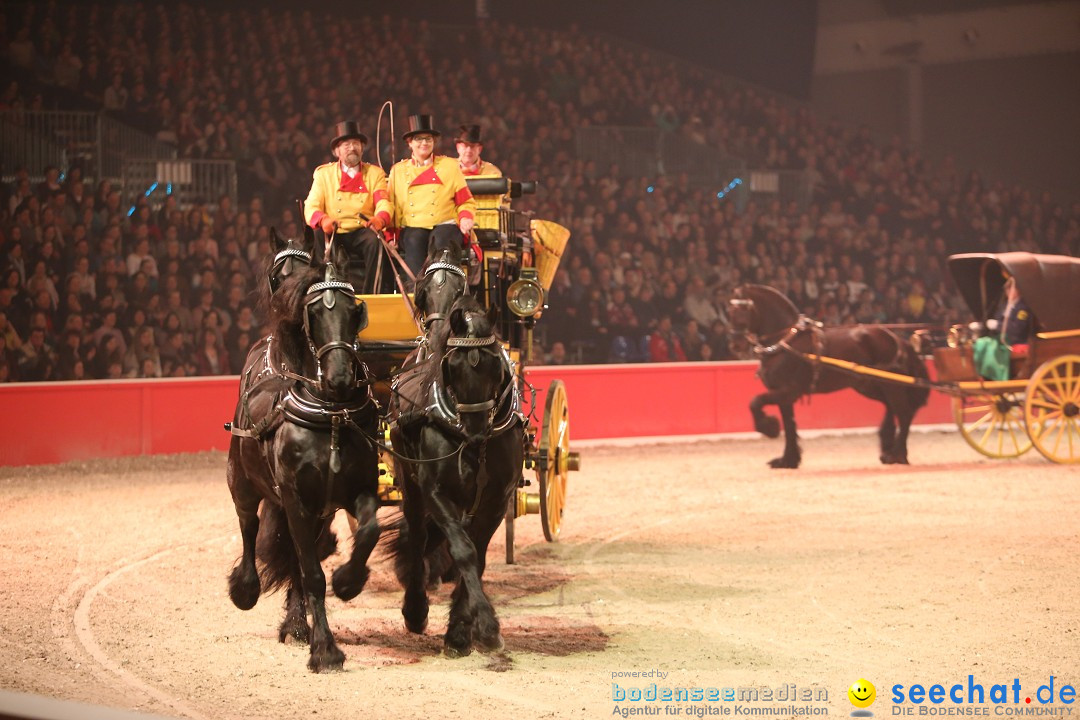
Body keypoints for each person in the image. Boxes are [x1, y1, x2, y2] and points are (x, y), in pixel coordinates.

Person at [303, 121, 391, 292]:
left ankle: (372, 294)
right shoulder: (324, 174)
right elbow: (311, 205)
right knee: (317, 234)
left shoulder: (375, 174)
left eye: (356, 144)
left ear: (362, 148)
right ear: (337, 151)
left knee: (376, 241)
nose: (352, 148)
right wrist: (323, 219)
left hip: (363, 230)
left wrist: (380, 218)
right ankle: (321, 289)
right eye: (346, 144)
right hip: (334, 230)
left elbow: (383, 201)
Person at [387, 114, 476, 278]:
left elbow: (465, 201)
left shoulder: (449, 166)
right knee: (414, 240)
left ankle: (445, 289)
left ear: (434, 142)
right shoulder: (397, 170)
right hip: (412, 226)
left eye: (428, 139)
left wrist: (465, 218)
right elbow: (392, 206)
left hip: (445, 223)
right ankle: (416, 289)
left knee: (442, 241)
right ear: (410, 143)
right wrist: (390, 235)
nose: (424, 143)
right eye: (419, 139)